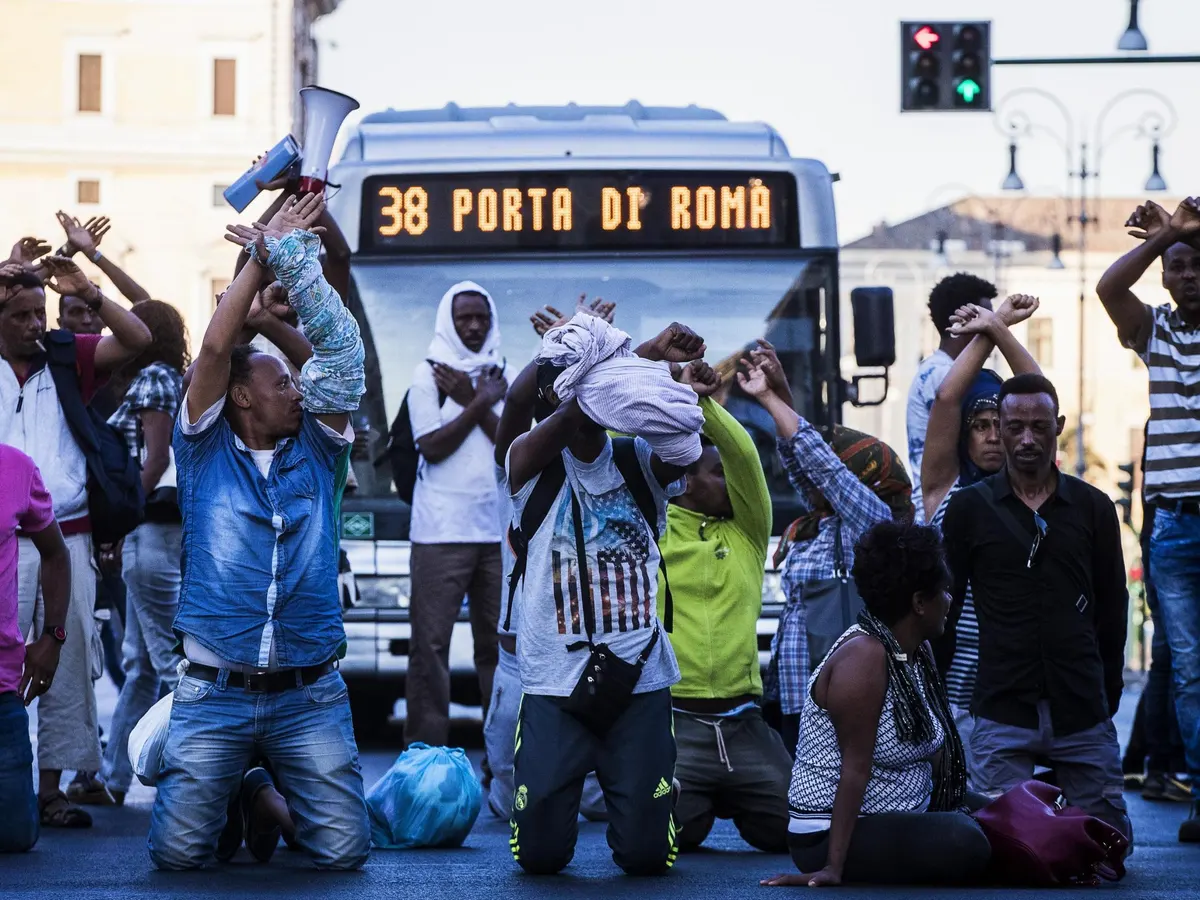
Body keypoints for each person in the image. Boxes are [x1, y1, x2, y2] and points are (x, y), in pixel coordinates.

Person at [147, 193, 371, 870]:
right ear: (241, 396)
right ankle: (246, 784)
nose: (296, 389)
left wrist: (291, 262)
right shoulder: (204, 450)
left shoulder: (320, 445)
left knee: (344, 854)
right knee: (177, 857)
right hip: (214, 693)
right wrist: (256, 255)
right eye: (281, 381)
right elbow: (217, 344)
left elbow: (341, 352)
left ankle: (255, 786)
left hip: (310, 694)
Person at [502, 321, 706, 876]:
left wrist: (644, 368)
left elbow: (688, 456)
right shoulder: (528, 460)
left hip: (638, 673)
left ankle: (652, 788)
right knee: (539, 858)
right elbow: (579, 412)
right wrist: (629, 363)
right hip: (552, 678)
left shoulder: (640, 459)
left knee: (646, 858)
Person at [942, 373, 1131, 842]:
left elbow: (1113, 605)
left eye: (1039, 426)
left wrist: (1107, 691)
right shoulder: (968, 509)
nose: (1027, 438)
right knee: (1002, 848)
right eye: (1015, 426)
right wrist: (938, 695)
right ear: (999, 429)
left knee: (1108, 848)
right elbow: (944, 607)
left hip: (1081, 705)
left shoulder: (1093, 508)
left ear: (1057, 426)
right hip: (1003, 703)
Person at [0, 255, 152, 829]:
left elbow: (137, 336)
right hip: (2, 540)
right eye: (21, 315)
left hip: (69, 532)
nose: (36, 325)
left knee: (63, 659)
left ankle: (51, 789)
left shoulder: (67, 358)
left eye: (40, 313)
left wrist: (87, 287)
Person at [761, 521, 989, 888]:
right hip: (831, 832)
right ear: (918, 603)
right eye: (944, 591)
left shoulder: (916, 650)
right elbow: (855, 769)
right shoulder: (863, 658)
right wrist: (832, 868)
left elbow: (932, 750)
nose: (950, 601)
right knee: (964, 838)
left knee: (1001, 809)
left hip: (902, 809)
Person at [742, 350, 913, 755]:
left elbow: (823, 467)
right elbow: (800, 457)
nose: (813, 481)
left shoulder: (873, 521)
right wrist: (779, 389)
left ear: (863, 480)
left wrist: (768, 399)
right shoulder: (821, 519)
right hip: (795, 693)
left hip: (837, 696)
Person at [1096, 197, 1200, 841]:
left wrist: (1181, 231)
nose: (1189, 276)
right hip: (1172, 526)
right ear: (1164, 274)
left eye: (1198, 264)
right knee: (1189, 668)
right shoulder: (1157, 331)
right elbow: (1110, 286)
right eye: (1179, 266)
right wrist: (1168, 236)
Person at [666, 346, 792, 854]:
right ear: (684, 481)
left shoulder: (748, 530)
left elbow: (743, 454)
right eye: (715, 475)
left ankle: (738, 797)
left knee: (798, 833)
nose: (732, 482)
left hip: (745, 722)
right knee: (667, 837)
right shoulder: (648, 529)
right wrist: (667, 397)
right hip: (674, 722)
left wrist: (705, 407)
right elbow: (611, 446)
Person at [919, 295, 1041, 779]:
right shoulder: (944, 487)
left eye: (1001, 426)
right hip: (952, 679)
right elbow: (949, 397)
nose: (993, 436)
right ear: (963, 436)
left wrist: (999, 329)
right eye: (980, 426)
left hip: (1011, 677)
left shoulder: (1030, 488)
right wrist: (989, 332)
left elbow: (1039, 391)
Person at [91, 301, 188, 806]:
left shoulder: (152, 378)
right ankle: (113, 778)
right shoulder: (170, 377)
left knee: (171, 663)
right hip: (160, 532)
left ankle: (197, 773)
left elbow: (155, 460)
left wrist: (119, 522)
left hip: (148, 530)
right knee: (141, 664)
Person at [404, 282, 507, 749]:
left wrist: (479, 397)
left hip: (499, 532)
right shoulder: (428, 375)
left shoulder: (504, 373)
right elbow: (432, 446)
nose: (473, 326)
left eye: (481, 317)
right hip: (440, 532)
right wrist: (479, 401)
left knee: (500, 650)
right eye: (464, 317)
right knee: (430, 649)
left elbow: (514, 447)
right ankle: (424, 760)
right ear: (449, 319)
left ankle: (503, 761)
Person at [0, 445, 71, 852]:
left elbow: (57, 554)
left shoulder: (16, 467)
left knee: (15, 835)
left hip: (2, 693)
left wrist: (52, 637)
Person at [905, 273, 997, 521]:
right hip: (946, 512)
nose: (995, 329)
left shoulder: (933, 370)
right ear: (965, 321)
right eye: (988, 319)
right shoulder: (944, 376)